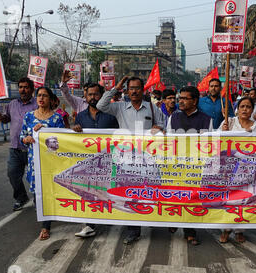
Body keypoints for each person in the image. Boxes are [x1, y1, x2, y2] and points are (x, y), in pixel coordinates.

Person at [96, 76, 165, 244]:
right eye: (131, 88)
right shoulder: (119, 107)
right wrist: (116, 87)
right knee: (129, 192)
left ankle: (150, 219)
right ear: (127, 91)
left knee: (147, 190)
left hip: (147, 159)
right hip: (125, 158)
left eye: (137, 88)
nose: (134, 91)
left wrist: (159, 128)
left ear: (143, 90)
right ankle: (133, 230)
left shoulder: (152, 108)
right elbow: (100, 105)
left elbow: (164, 124)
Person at [166, 86, 213, 245]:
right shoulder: (173, 117)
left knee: (192, 199)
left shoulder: (207, 120)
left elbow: (209, 146)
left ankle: (190, 231)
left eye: (185, 98)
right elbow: (168, 142)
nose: (180, 101)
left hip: (195, 167)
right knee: (175, 196)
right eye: (180, 98)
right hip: (177, 165)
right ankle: (173, 222)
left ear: (194, 101)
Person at [72, 83, 119, 238]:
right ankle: (89, 225)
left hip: (108, 161)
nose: (93, 97)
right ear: (85, 97)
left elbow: (120, 137)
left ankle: (112, 216)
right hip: (89, 163)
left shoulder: (111, 116)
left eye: (96, 94)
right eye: (90, 94)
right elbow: (73, 140)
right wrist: (75, 130)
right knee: (88, 191)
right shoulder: (80, 116)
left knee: (108, 191)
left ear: (101, 95)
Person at [20, 86, 65, 241]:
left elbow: (62, 142)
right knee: (36, 195)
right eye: (39, 95)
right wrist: (27, 138)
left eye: (45, 96)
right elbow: (23, 136)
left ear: (51, 99)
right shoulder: (28, 117)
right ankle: (43, 215)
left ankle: (46, 226)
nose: (41, 98)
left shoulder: (57, 119)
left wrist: (45, 130)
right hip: (34, 162)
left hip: (51, 162)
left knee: (48, 193)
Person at [218, 96, 256, 244]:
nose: (245, 109)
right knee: (228, 198)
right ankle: (226, 228)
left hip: (247, 169)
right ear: (237, 109)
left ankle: (239, 230)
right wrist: (223, 131)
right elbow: (216, 140)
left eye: (248, 107)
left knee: (244, 199)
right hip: (228, 168)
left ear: (252, 109)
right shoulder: (228, 122)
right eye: (242, 106)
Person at [0, 77, 37, 211]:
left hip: (33, 148)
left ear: (31, 89)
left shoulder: (38, 104)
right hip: (15, 148)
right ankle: (21, 198)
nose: (22, 90)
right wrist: (1, 117)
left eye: (26, 87)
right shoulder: (12, 104)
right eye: (20, 87)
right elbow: (7, 119)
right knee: (12, 174)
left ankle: (39, 200)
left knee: (36, 177)